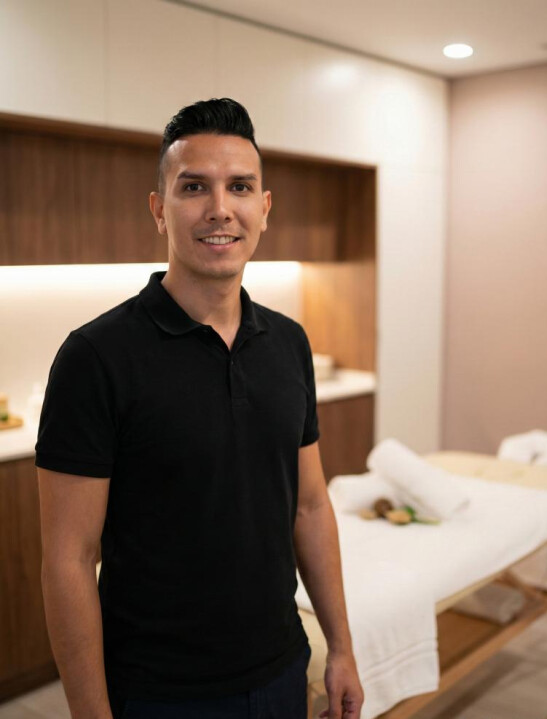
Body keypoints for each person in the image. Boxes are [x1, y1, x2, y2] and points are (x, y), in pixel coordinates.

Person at [36, 98, 364, 719]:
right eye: (194, 187)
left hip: (282, 670)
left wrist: (341, 646)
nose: (220, 208)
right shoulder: (96, 357)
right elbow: (69, 560)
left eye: (240, 186)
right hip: (158, 692)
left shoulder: (289, 343)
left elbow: (310, 506)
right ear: (159, 210)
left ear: (264, 208)